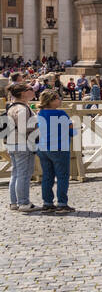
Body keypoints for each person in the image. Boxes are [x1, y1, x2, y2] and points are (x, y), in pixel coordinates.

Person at [35, 88, 75, 213]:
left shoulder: (40, 113)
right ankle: (62, 203)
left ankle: (47, 203)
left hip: (42, 148)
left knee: (47, 176)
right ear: (51, 101)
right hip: (59, 147)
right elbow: (71, 131)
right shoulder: (61, 114)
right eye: (57, 98)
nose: (60, 100)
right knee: (62, 176)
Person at [6, 82, 38, 212]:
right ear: (23, 93)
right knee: (24, 175)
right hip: (23, 144)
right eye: (31, 89)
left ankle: (14, 202)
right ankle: (24, 203)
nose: (34, 91)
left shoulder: (12, 107)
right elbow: (25, 128)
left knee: (16, 173)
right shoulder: (22, 109)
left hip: (12, 143)